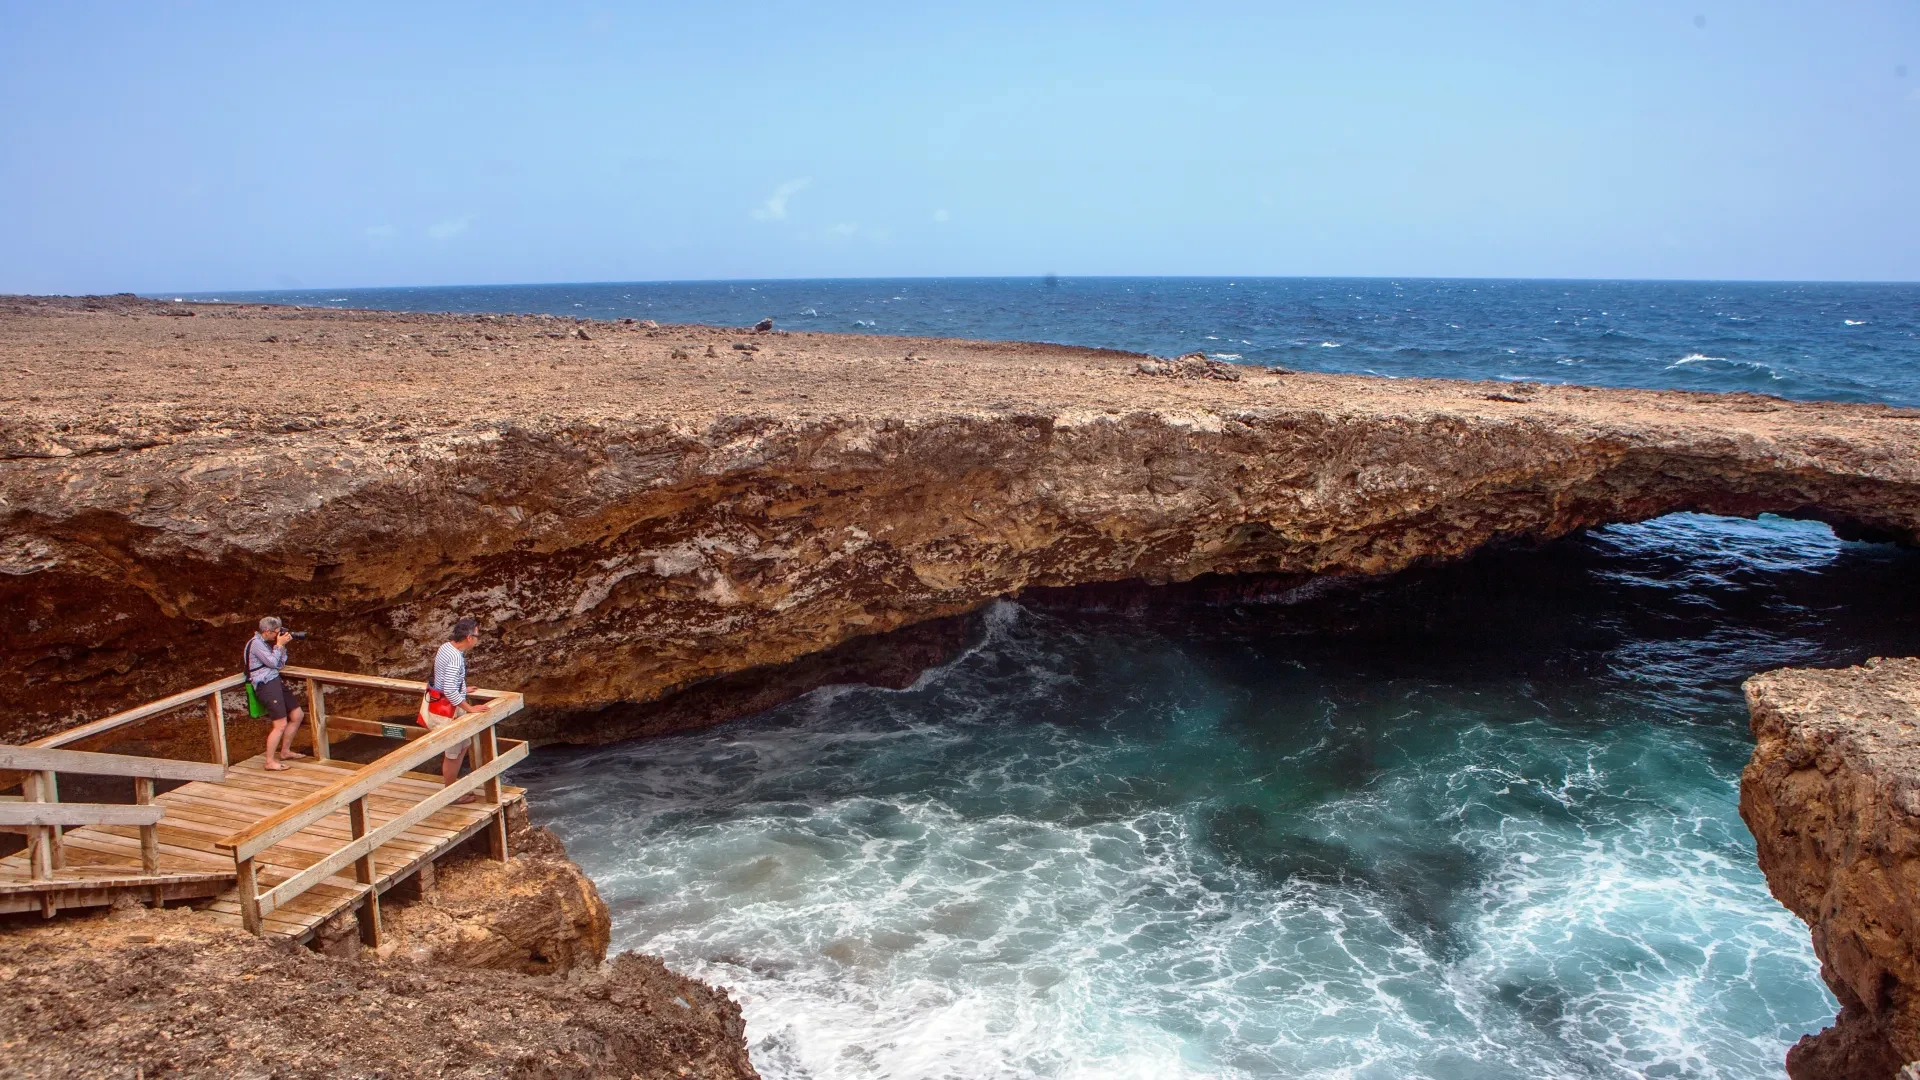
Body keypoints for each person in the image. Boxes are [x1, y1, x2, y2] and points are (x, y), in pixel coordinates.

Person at [420, 617, 491, 800]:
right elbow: (450, 690)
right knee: (454, 752)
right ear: (469, 637)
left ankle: (452, 789)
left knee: (461, 747)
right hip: (449, 711)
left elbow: (443, 678)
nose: (477, 639)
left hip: (441, 703)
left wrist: (463, 689)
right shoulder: (455, 658)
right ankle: (451, 794)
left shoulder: (446, 647)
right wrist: (470, 708)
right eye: (477, 636)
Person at [246, 616, 307, 771]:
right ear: (267, 631)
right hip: (266, 685)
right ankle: (269, 761)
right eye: (276, 632)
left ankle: (285, 751)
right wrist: (279, 645)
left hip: (275, 680)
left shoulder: (265, 644)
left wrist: (282, 646)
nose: (277, 635)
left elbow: (279, 664)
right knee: (280, 724)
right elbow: (272, 662)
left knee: (297, 715)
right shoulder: (256, 644)